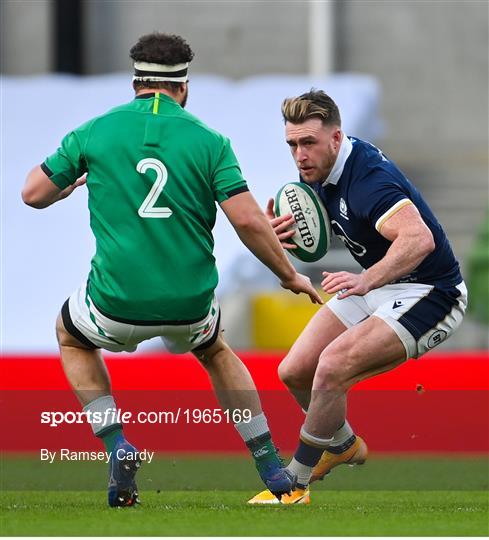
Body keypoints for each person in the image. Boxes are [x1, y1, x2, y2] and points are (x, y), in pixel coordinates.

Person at [21, 33, 322, 507]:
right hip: (190, 303)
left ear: (136, 81)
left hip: (115, 300)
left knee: (70, 334)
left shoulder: (95, 131)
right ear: (183, 86)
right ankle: (269, 466)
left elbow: (32, 193)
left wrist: (71, 185)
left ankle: (118, 444)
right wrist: (289, 276)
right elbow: (246, 219)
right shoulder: (209, 140)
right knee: (216, 350)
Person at [249, 89, 467, 504]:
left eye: (308, 142)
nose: (299, 155)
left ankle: (295, 482)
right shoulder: (316, 173)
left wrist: (367, 280)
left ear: (336, 138)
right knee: (294, 371)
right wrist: (287, 238)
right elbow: (328, 229)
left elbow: (417, 239)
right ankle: (342, 445)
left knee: (331, 367)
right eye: (292, 144)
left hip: (431, 293)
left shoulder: (370, 180)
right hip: (380, 282)